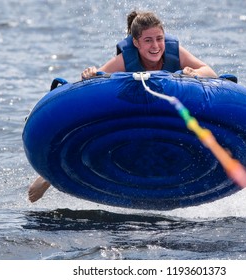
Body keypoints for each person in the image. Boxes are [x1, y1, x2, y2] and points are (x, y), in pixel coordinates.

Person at [28, 11, 218, 203]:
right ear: (136, 43)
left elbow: (210, 72)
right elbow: (94, 82)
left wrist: (195, 72)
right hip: (130, 112)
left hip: (168, 112)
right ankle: (47, 177)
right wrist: (90, 74)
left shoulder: (174, 52)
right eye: (148, 40)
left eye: (159, 39)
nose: (155, 46)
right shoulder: (126, 59)